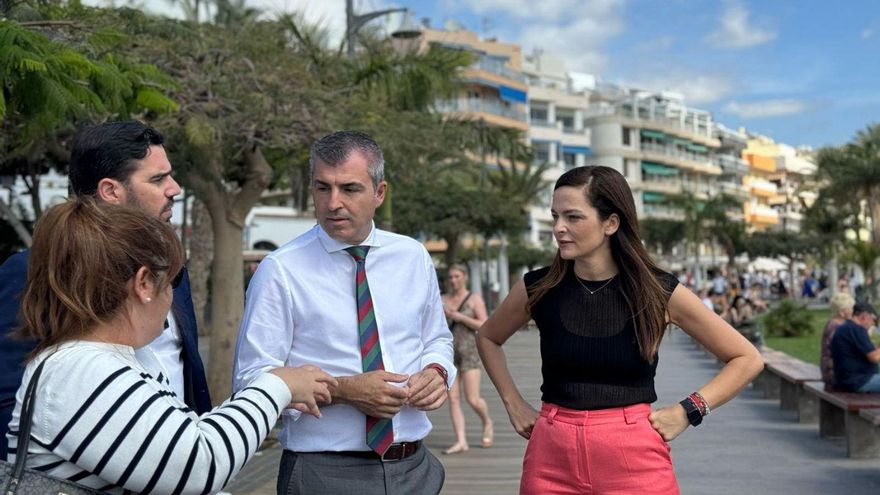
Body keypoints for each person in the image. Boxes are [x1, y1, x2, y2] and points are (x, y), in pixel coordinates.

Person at [7, 198, 337, 493]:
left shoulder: (107, 360)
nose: (173, 298)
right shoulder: (80, 371)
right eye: (173, 280)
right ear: (144, 283)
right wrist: (276, 386)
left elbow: (177, 442)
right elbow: (199, 464)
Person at [475, 166, 763, 494]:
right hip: (551, 456)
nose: (558, 228)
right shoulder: (539, 287)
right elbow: (488, 337)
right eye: (555, 216)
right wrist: (513, 403)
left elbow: (746, 357)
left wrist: (689, 410)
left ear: (611, 223)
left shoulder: (657, 291)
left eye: (573, 217)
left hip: (633, 457)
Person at [233, 130, 454, 495]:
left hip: (415, 469)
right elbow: (251, 380)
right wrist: (345, 390)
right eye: (323, 188)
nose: (333, 202)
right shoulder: (280, 270)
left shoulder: (413, 257)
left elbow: (437, 338)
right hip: (324, 472)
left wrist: (437, 371)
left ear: (379, 193)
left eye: (349, 189)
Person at [0, 120, 211, 457]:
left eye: (169, 175)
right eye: (158, 179)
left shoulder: (168, 265)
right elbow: (9, 402)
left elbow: (185, 375)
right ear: (111, 191)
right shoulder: (33, 271)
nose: (175, 188)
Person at [441, 263, 494, 454]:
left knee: (472, 398)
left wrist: (459, 317)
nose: (453, 280)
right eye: (451, 277)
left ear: (465, 278)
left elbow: (485, 324)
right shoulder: (442, 299)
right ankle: (461, 440)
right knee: (453, 399)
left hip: (469, 352)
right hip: (449, 354)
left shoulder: (474, 299)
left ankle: (487, 421)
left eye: (457, 276)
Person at [830, 302, 880, 392]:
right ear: (864, 316)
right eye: (873, 320)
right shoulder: (857, 329)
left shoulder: (847, 327)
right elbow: (874, 357)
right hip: (858, 381)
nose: (873, 324)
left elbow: (871, 351)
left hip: (847, 380)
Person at [820, 292, 855, 389]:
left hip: (832, 371)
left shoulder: (834, 323)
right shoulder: (837, 327)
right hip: (835, 374)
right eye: (851, 308)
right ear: (841, 312)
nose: (853, 311)